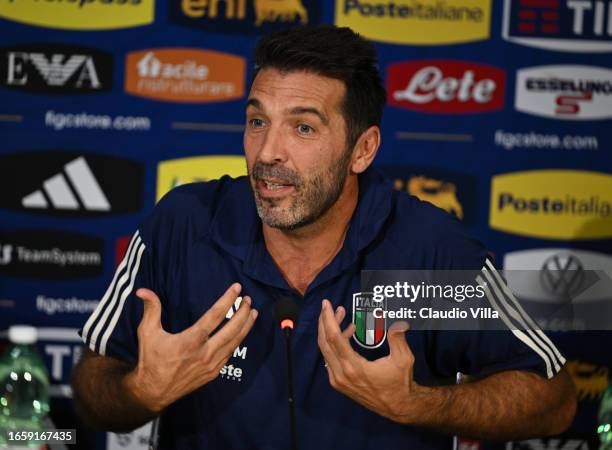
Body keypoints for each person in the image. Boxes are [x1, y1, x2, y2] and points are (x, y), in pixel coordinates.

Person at [72, 25, 576, 449]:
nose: (269, 152)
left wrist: (417, 404)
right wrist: (141, 390)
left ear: (362, 149)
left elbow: (552, 400)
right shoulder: (183, 225)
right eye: (257, 121)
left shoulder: (429, 251)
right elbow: (93, 386)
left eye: (304, 129)